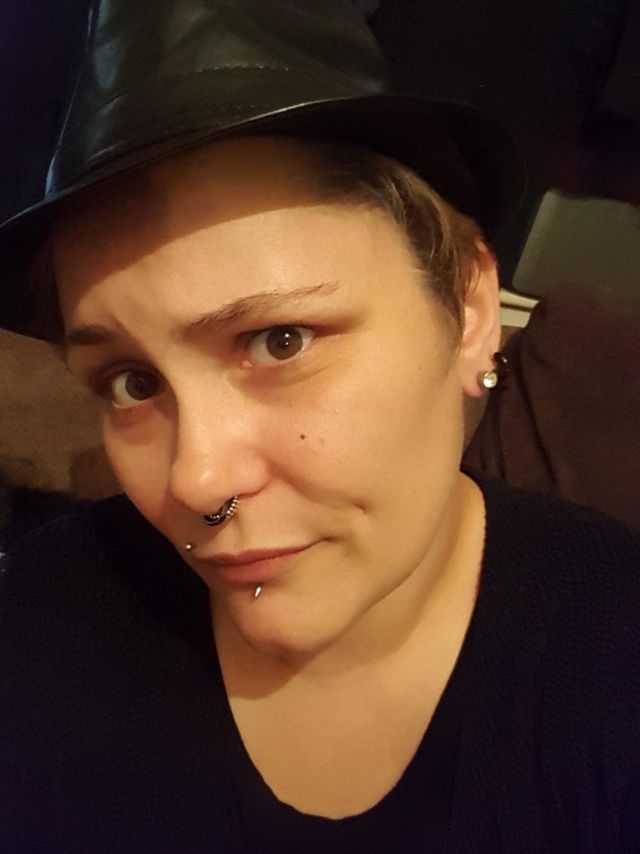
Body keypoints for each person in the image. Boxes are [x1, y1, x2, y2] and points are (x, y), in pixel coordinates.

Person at [0, 2, 638, 852]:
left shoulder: (612, 652)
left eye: (281, 341)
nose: (196, 482)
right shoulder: (41, 620)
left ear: (470, 308)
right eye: (132, 382)